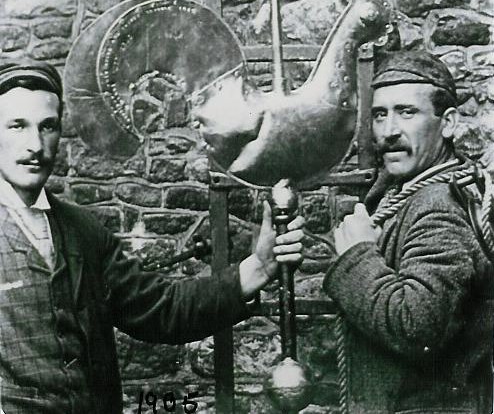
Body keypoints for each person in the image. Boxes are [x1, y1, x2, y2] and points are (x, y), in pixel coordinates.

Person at [0, 60, 305, 414]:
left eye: (47, 126)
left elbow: (161, 308)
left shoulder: (83, 231)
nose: (35, 144)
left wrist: (259, 268)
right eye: (17, 126)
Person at [323, 50, 494, 414]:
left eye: (407, 112)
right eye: (379, 115)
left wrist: (356, 259)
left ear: (447, 123)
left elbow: (417, 327)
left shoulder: (438, 205)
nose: (389, 132)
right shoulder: (407, 193)